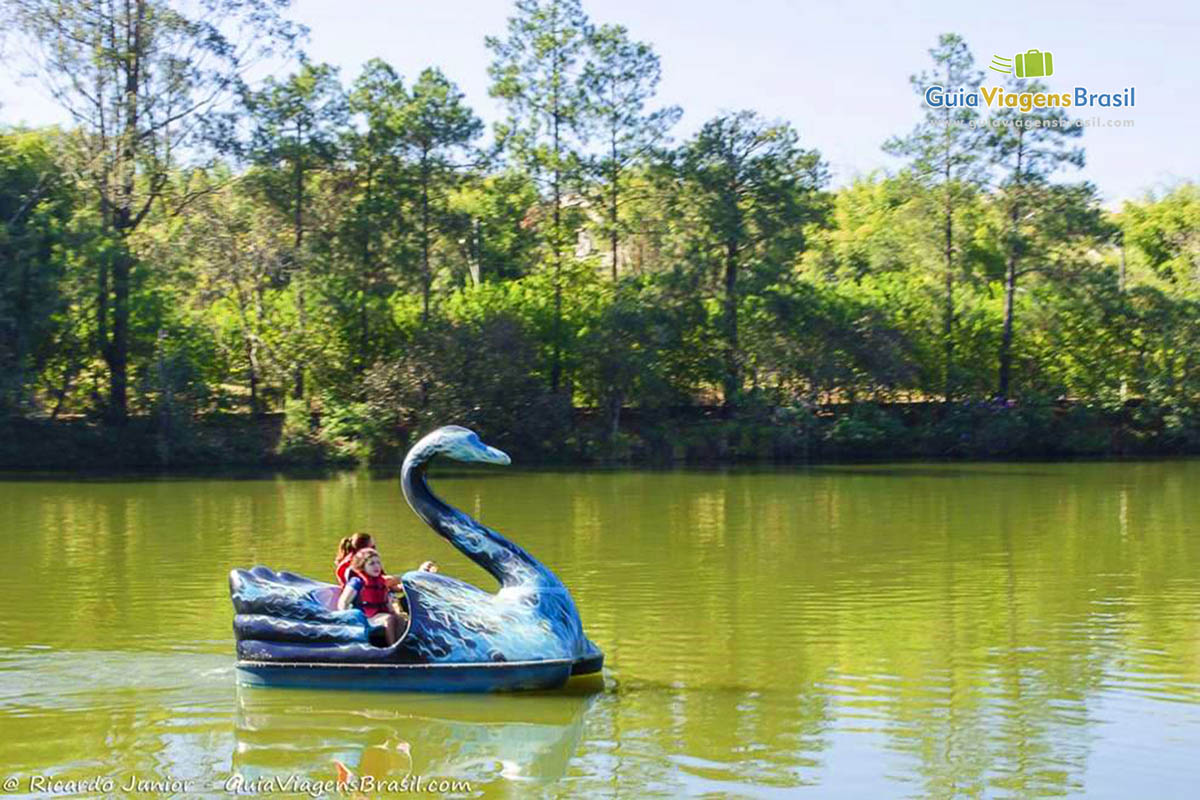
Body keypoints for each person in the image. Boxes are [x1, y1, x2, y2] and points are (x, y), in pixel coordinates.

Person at [337, 548, 404, 645]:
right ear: (362, 566)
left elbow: (388, 604)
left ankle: (403, 646)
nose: (376, 566)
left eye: (378, 563)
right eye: (371, 564)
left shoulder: (382, 582)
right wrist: (346, 619)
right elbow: (343, 602)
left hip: (379, 615)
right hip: (365, 618)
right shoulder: (357, 582)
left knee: (400, 619)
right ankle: (393, 648)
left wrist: (396, 614)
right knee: (389, 619)